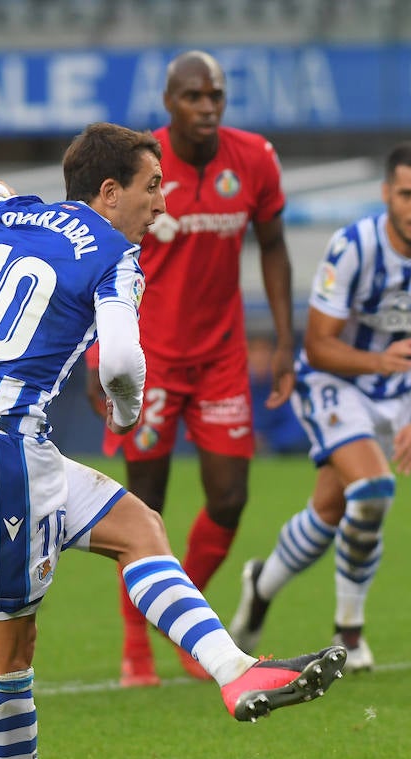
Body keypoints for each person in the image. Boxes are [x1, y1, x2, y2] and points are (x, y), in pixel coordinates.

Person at [0, 122, 346, 759]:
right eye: (151, 187)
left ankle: (235, 670)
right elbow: (118, 358)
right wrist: (124, 408)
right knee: (8, 650)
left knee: (138, 527)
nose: (160, 201)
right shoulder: (116, 254)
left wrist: (1, 199)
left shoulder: (9, 214)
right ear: (109, 193)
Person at [227, 142, 411, 671]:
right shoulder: (353, 246)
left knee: (329, 511)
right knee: (372, 492)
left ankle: (262, 583)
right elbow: (320, 343)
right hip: (333, 382)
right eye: (408, 195)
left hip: (399, 398)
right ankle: (350, 634)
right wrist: (377, 363)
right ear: (387, 195)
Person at [83, 49, 298, 688]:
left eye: (216, 97)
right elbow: (95, 257)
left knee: (230, 498)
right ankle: (136, 648)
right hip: (147, 363)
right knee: (143, 508)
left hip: (222, 360)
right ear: (169, 102)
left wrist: (286, 337)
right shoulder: (140, 170)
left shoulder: (254, 158)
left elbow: (275, 245)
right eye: (193, 97)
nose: (206, 108)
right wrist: (99, 352)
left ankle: (183, 618)